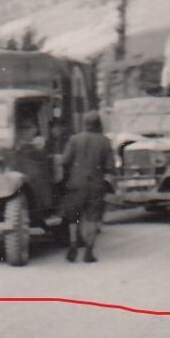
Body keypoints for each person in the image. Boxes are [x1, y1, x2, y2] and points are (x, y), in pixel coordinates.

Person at [59, 109, 116, 263]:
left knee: (73, 217)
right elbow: (110, 167)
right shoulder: (105, 141)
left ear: (85, 124)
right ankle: (89, 252)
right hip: (95, 185)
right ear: (99, 124)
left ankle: (73, 245)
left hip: (75, 184)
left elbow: (64, 161)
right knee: (92, 218)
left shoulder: (74, 139)